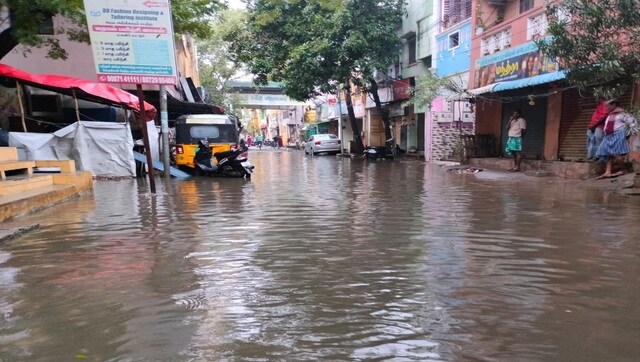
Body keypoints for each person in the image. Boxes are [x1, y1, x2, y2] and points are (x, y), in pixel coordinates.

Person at [595, 99, 636, 179]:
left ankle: (624, 169)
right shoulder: (610, 115)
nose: (606, 108)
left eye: (607, 106)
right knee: (606, 154)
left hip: (617, 135)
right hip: (608, 136)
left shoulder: (622, 114)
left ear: (614, 105)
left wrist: (628, 134)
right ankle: (608, 172)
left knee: (616, 154)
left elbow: (633, 123)